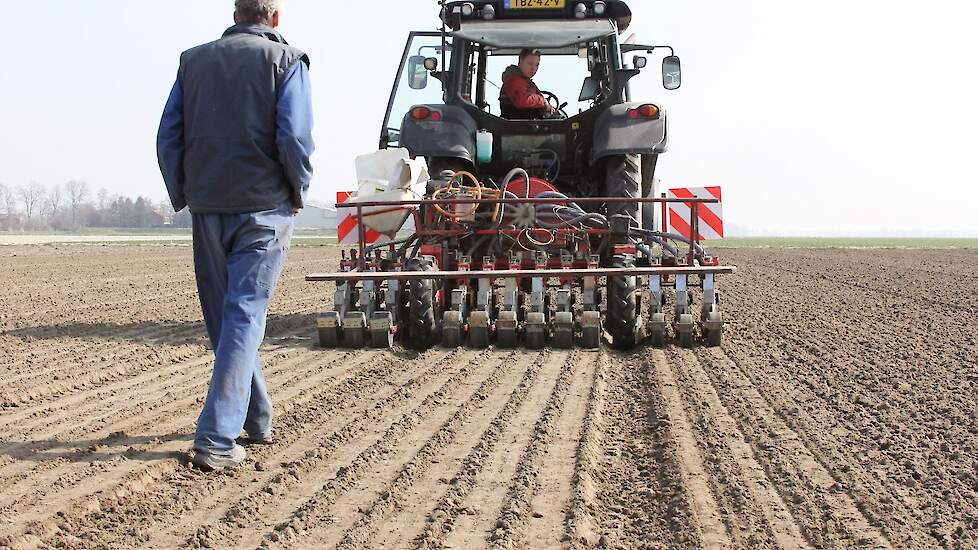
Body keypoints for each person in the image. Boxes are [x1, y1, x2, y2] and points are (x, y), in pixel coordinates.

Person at [156, 0, 314, 471]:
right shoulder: (287, 60)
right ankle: (217, 440)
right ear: (276, 18)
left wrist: (186, 193)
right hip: (264, 207)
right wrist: (298, 187)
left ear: (237, 12)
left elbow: (168, 136)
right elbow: (295, 138)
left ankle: (256, 417)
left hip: (208, 208)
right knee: (243, 317)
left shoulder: (193, 60)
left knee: (229, 320)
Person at [500, 49, 557, 120]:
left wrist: (549, 107)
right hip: (518, 125)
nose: (533, 68)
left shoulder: (527, 82)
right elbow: (522, 100)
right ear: (520, 62)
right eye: (530, 63)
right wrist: (543, 101)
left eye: (536, 65)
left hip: (528, 123)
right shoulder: (513, 80)